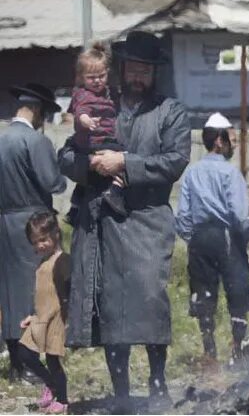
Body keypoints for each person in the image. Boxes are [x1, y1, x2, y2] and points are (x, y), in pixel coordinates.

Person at [58, 31, 191, 412]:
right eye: (132, 68)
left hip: (147, 223)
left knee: (151, 301)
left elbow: (175, 161)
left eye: (145, 70)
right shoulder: (98, 103)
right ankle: (120, 392)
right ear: (122, 69)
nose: (138, 76)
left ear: (155, 73)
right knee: (110, 307)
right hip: (102, 224)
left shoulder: (171, 112)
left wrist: (125, 164)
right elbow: (66, 155)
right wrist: (90, 165)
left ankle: (158, 384)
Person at [0, 83, 66, 382]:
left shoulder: (2, 139)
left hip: (4, 221)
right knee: (33, 291)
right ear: (37, 110)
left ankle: (15, 363)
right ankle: (30, 363)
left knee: (8, 291)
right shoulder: (35, 141)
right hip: (32, 222)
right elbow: (54, 183)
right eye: (45, 114)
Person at [175, 112, 249, 362]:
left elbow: (183, 215)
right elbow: (239, 214)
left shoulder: (192, 172)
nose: (234, 144)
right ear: (219, 140)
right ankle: (237, 350)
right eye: (231, 138)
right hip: (227, 236)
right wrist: (244, 238)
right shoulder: (231, 173)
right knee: (237, 291)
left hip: (199, 239)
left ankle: (209, 352)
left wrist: (193, 239)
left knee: (203, 293)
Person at [66, 42, 126, 219]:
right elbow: (80, 112)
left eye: (101, 75)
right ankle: (115, 192)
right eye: (92, 77)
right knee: (124, 165)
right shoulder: (82, 94)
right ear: (82, 78)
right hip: (92, 141)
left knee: (89, 179)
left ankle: (75, 207)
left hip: (106, 139)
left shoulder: (110, 93)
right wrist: (86, 121)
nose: (97, 81)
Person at [18, 212, 71, 414]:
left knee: (52, 360)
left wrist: (70, 317)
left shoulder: (62, 260)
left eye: (43, 240)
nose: (39, 245)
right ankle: (50, 384)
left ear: (56, 234)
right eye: (35, 242)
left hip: (56, 319)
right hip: (41, 318)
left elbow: (69, 289)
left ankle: (63, 399)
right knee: (24, 353)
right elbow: (42, 296)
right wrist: (33, 316)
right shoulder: (42, 262)